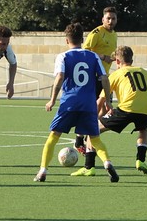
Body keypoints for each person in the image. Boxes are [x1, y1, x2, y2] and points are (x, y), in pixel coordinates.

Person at [33, 23, 119, 183]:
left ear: (67, 40)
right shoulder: (93, 56)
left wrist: (52, 100)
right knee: (95, 139)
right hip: (88, 103)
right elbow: (105, 78)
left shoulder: (63, 56)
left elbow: (59, 78)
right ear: (82, 39)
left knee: (53, 137)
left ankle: (43, 171)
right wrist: (107, 100)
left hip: (69, 103)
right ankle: (107, 163)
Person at [71, 45, 147, 176]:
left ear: (117, 61)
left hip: (126, 110)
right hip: (146, 111)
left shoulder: (116, 74)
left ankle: (89, 167)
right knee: (143, 130)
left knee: (93, 130)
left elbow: (100, 101)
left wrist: (90, 120)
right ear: (132, 60)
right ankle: (140, 160)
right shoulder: (143, 71)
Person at [74, 6, 118, 156]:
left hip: (105, 76)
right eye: (108, 18)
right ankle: (81, 138)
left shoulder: (114, 35)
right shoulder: (97, 32)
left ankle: (85, 135)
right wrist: (102, 56)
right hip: (93, 76)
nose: (111, 21)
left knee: (104, 110)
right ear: (103, 19)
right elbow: (85, 51)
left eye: (113, 18)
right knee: (93, 108)